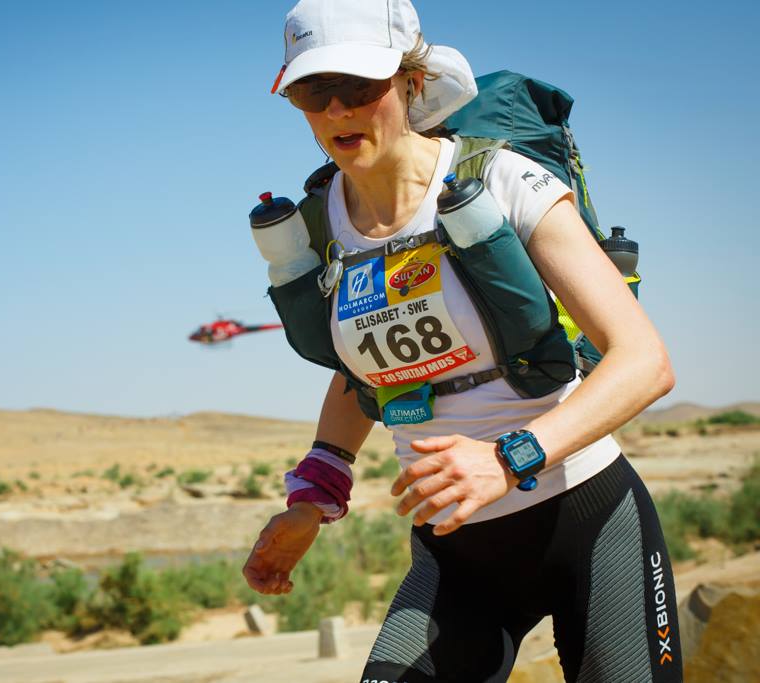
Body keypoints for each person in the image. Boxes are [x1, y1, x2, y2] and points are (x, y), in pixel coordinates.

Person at [242, 0, 683, 680]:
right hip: (454, 558)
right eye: (312, 90)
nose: (336, 111)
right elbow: (363, 376)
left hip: (589, 522)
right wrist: (313, 497)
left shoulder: (501, 179)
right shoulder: (319, 226)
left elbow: (645, 361)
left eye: (359, 87)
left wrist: (508, 458)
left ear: (412, 81)